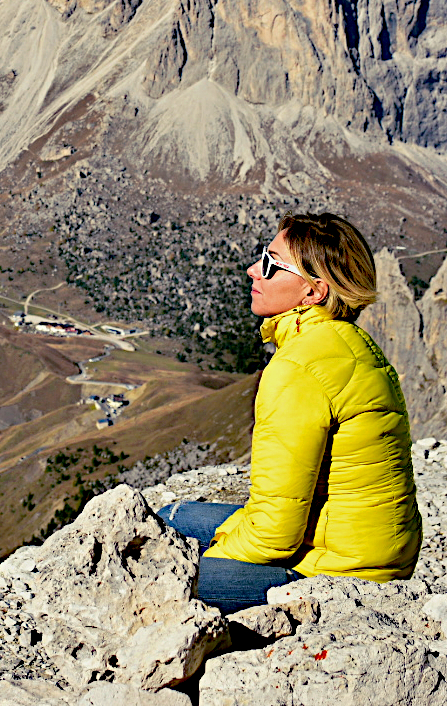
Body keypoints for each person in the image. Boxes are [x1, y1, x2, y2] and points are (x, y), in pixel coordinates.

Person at [158, 212, 421, 613]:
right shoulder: (352, 343)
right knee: (169, 519)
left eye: (269, 264)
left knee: (151, 572)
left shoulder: (298, 368)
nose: (252, 270)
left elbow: (275, 533)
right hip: (375, 559)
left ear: (313, 292)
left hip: (338, 578)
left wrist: (203, 559)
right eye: (262, 255)